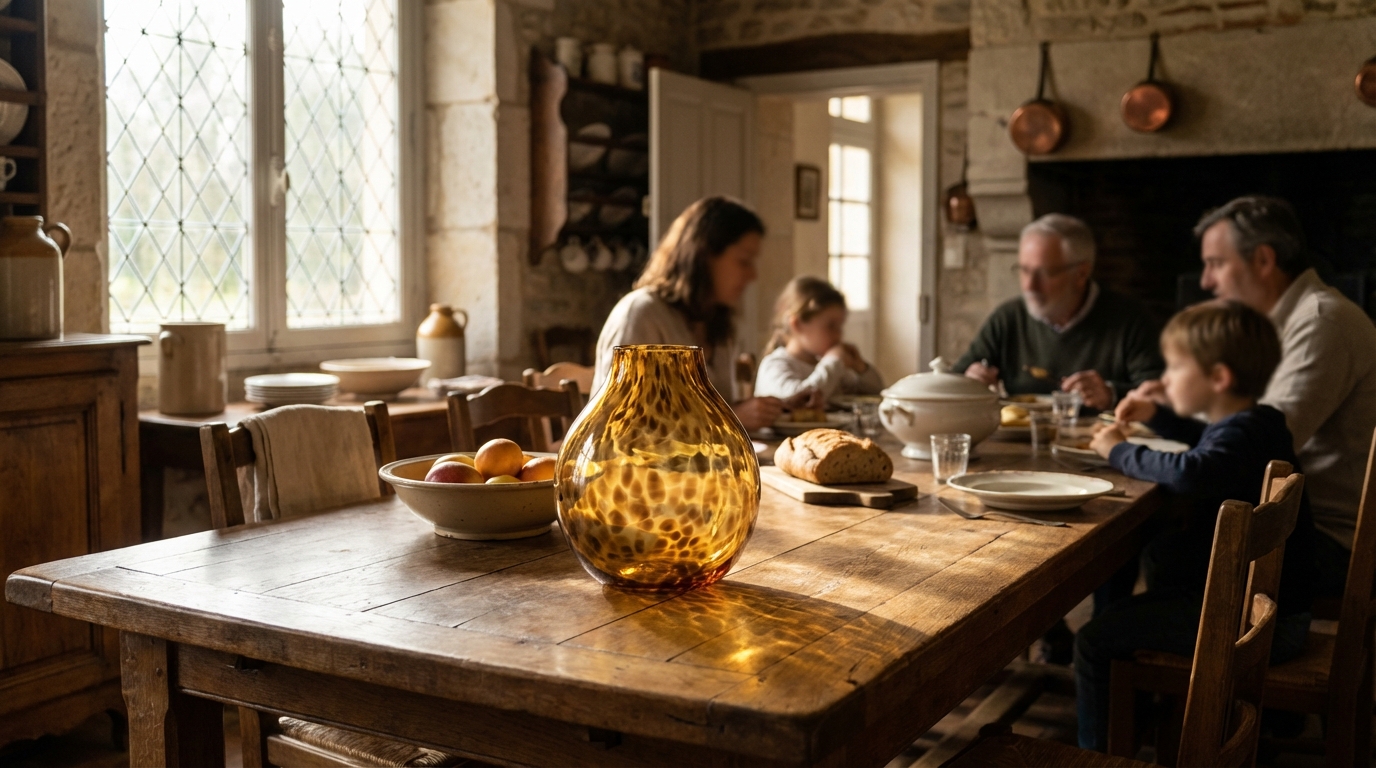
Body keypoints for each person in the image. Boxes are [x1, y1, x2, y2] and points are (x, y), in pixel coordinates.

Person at [1074, 300, 1318, 752]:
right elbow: (1208, 450)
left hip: (1250, 621)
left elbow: (1193, 470)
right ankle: (1144, 723)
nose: (1164, 381)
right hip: (1266, 609)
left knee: (1095, 639)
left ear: (1219, 378)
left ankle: (1102, 756)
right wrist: (1158, 415)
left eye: (1174, 368)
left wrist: (1117, 451)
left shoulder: (1239, 436)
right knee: (1122, 613)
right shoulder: (1256, 424)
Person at [1128, 196, 1376, 598]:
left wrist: (1146, 434)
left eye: (1216, 263)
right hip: (1292, 518)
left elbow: (1253, 450)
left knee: (1167, 548)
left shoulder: (1320, 323)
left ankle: (1179, 650)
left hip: (1326, 540)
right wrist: (1173, 406)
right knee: (1165, 544)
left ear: (1263, 260)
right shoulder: (1285, 322)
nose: (1206, 281)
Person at [592, 197, 790, 431]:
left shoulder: (717, 322)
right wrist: (730, 418)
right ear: (703, 256)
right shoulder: (642, 314)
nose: (752, 275)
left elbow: (710, 408)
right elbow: (619, 424)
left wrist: (779, 409)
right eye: (743, 261)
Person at [955, 214, 1163, 410]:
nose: (1029, 285)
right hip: (1021, 442)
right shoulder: (1008, 318)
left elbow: (1162, 393)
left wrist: (1111, 393)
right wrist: (970, 380)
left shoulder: (1129, 319)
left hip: (1099, 442)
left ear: (1081, 273)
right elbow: (953, 379)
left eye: (1044, 273)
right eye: (1024, 270)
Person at [754, 276, 884, 403]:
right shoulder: (775, 364)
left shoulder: (829, 367)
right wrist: (832, 361)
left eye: (840, 327)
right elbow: (800, 400)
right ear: (797, 324)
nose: (838, 335)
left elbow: (878, 394)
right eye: (831, 326)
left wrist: (861, 367)